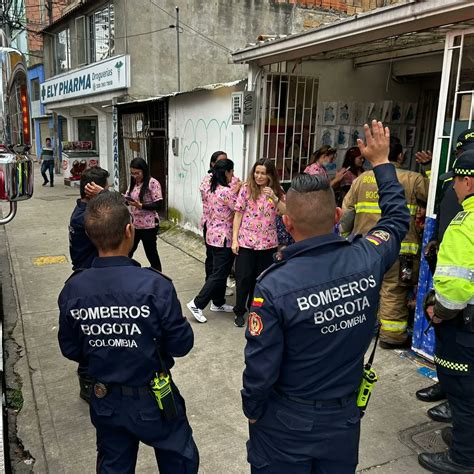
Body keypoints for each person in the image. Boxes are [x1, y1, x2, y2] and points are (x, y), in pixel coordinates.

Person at [242, 121, 409, 473]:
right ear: (336, 217)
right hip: (343, 420)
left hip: (286, 422)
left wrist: (253, 411)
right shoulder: (367, 257)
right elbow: (396, 219)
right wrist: (381, 163)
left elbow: (260, 369)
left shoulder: (274, 286)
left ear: (287, 226)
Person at [58, 192, 199, 473]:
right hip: (154, 397)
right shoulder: (155, 286)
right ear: (129, 230)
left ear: (89, 234)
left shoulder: (74, 289)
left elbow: (71, 349)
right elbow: (181, 344)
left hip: (105, 398)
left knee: (114, 465)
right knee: (179, 459)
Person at [341, 136, 429, 349]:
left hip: (365, 249)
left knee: (365, 289)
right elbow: (436, 196)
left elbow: (346, 213)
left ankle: (365, 329)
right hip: (401, 251)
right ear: (400, 156)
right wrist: (428, 169)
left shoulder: (361, 180)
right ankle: (391, 336)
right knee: (394, 291)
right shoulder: (414, 179)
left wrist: (344, 239)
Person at [418, 149, 474, 474]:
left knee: (463, 392)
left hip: (465, 327)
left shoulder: (464, 226)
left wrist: (437, 311)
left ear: (467, 181)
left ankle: (463, 458)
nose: (453, 187)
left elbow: (453, 292)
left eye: (454, 181)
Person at [68, 167, 110, 402]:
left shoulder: (83, 210)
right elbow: (119, 217)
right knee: (91, 333)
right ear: (92, 191)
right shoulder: (86, 218)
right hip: (89, 277)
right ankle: (87, 383)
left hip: (88, 273)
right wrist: (106, 195)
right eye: (103, 187)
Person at [232, 158, 286, 328]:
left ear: (270, 175)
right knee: (243, 278)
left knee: (260, 280)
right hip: (246, 242)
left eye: (263, 173)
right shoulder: (247, 189)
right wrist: (234, 239)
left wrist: (275, 198)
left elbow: (285, 212)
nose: (259, 176)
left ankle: (254, 310)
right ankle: (239, 311)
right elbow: (238, 214)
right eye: (257, 172)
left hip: (268, 243)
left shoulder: (277, 190)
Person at [187, 159, 239, 323]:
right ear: (226, 172)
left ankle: (218, 303)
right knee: (219, 274)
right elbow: (238, 207)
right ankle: (197, 303)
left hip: (212, 234)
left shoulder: (210, 187)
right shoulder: (226, 192)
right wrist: (237, 189)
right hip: (223, 237)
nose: (233, 176)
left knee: (218, 271)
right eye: (232, 172)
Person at [125, 157, 163, 271]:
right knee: (128, 251)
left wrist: (141, 206)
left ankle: (158, 273)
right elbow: (128, 197)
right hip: (135, 224)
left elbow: (158, 205)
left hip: (149, 225)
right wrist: (127, 201)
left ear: (144, 171)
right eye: (132, 173)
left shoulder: (153, 183)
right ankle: (124, 272)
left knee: (151, 252)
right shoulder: (133, 182)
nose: (135, 176)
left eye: (137, 173)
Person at [200, 151, 227, 280]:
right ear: (212, 163)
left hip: (224, 229)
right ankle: (210, 283)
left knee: (221, 261)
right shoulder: (208, 181)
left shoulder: (228, 180)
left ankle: (219, 285)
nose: (224, 164)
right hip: (211, 225)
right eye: (221, 161)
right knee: (211, 257)